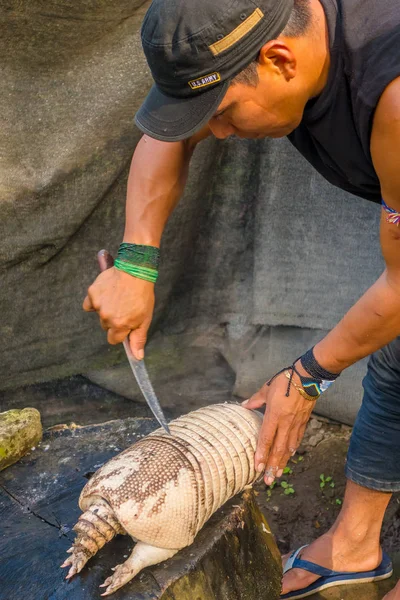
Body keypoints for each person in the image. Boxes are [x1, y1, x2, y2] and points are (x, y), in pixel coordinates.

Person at [83, 0, 400, 597]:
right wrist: (136, 262)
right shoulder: (253, 35)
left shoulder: (393, 88)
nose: (217, 133)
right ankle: (356, 549)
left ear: (280, 60)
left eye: (223, 114)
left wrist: (308, 375)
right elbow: (169, 133)